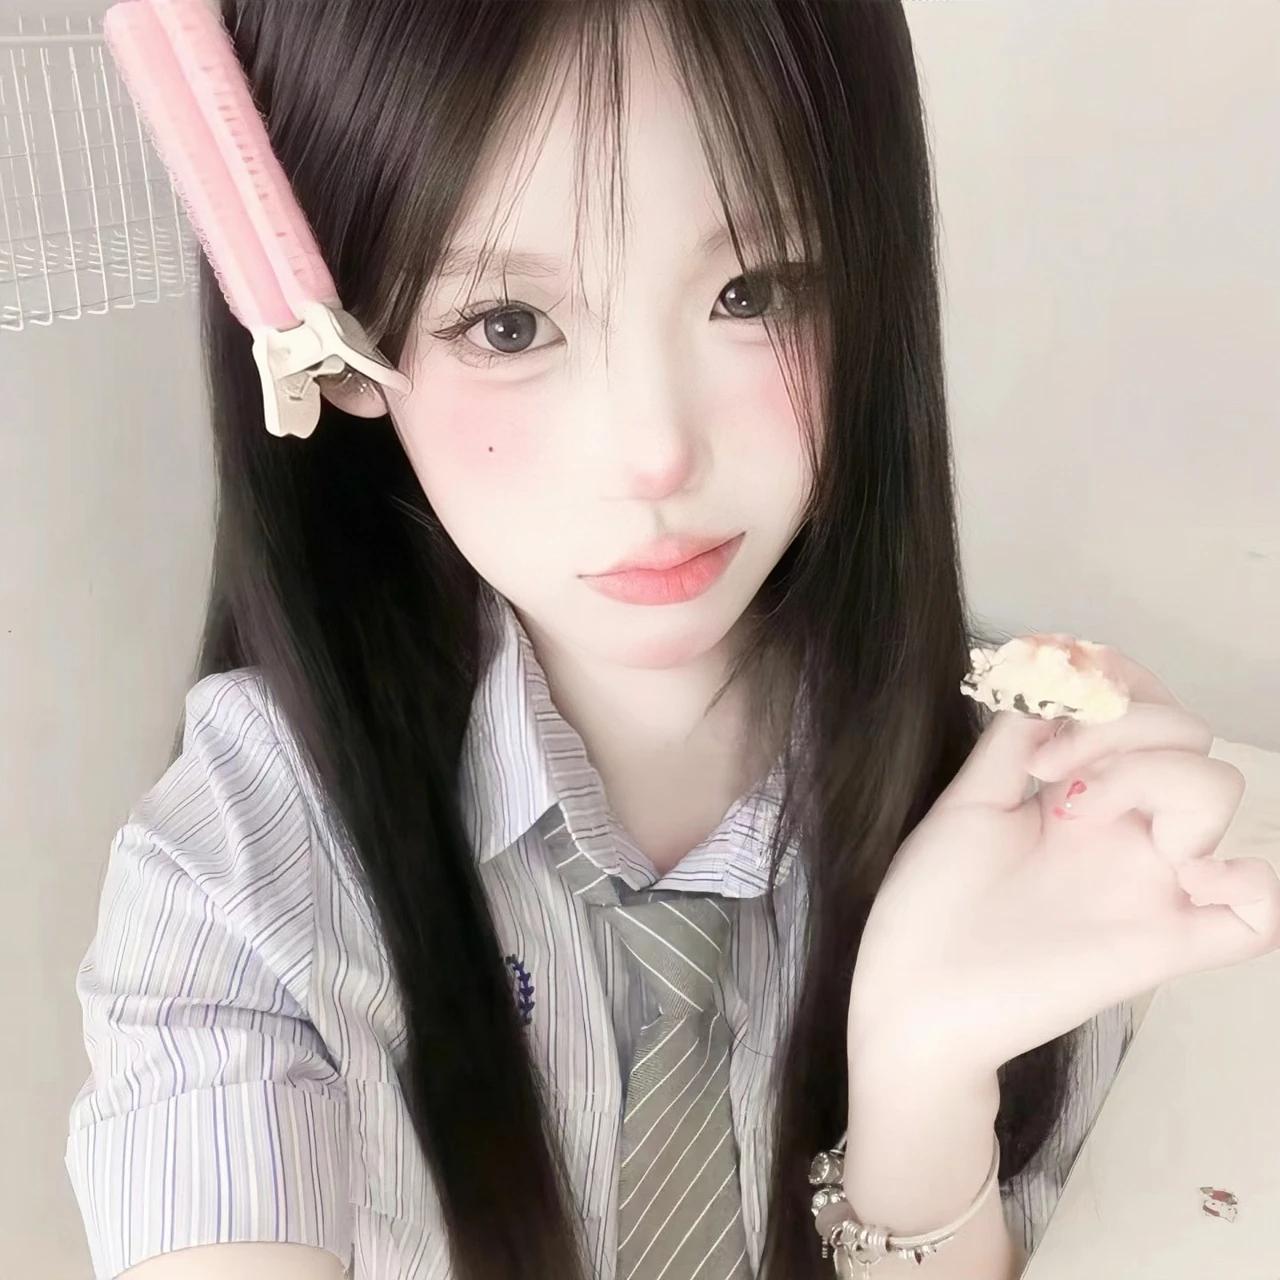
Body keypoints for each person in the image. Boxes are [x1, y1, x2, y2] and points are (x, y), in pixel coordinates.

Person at [63, 2, 1279, 1278]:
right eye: (507, 323)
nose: (655, 449)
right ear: (336, 350)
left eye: (753, 291)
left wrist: (920, 1081)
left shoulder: (1028, 818)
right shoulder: (247, 863)